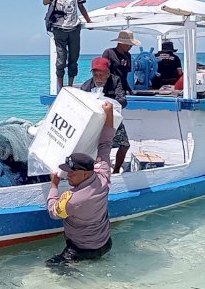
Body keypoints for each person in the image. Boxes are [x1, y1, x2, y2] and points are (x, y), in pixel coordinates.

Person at [45, 102, 116, 266]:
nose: (67, 176)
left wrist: (54, 185)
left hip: (81, 250)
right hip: (105, 244)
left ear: (85, 173)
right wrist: (109, 113)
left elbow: (53, 212)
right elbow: (105, 144)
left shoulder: (74, 200)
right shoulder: (103, 174)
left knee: (51, 268)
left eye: (72, 173)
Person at [43, 0, 92, 90]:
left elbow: (81, 5)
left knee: (73, 59)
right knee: (61, 59)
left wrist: (89, 21)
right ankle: (61, 88)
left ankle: (69, 87)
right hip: (59, 28)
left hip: (74, 27)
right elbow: (45, 1)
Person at [80, 57, 130, 174]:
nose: (98, 78)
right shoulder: (86, 86)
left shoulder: (115, 81)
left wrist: (110, 104)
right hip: (94, 121)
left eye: (101, 75)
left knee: (125, 144)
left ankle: (116, 169)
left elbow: (123, 100)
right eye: (95, 75)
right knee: (92, 147)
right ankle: (91, 171)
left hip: (112, 118)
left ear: (108, 73)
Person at [102, 30, 141, 94]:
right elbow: (102, 72)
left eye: (131, 45)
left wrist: (129, 89)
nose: (130, 47)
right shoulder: (109, 53)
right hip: (109, 88)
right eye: (128, 45)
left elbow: (124, 77)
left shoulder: (128, 55)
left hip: (121, 90)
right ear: (120, 43)